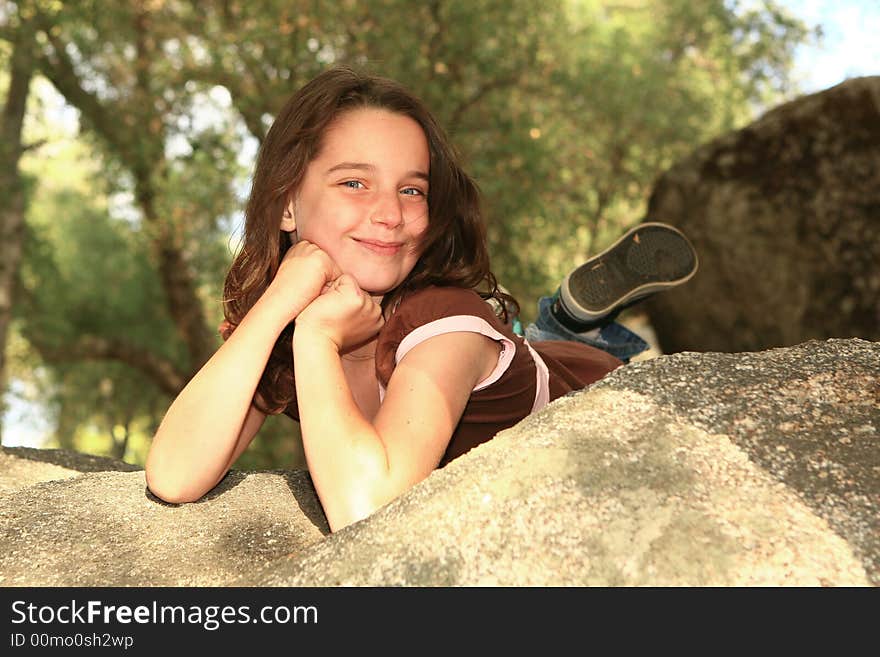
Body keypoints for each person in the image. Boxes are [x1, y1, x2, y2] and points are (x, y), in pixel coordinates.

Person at [144, 66, 698, 532]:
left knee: (542, 355)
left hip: (579, 399)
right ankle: (560, 322)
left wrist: (316, 335)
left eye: (412, 190)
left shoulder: (444, 319)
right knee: (527, 344)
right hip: (502, 373)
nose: (390, 213)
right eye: (354, 183)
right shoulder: (282, 336)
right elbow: (172, 475)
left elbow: (366, 511)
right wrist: (278, 303)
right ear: (287, 204)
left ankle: (571, 328)